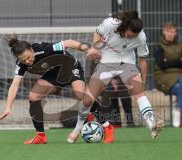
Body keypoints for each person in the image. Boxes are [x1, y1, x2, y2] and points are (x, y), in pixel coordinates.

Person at [67, 10, 163, 144]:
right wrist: (95, 48)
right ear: (125, 27)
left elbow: (142, 60)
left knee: (139, 92)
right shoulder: (110, 24)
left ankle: (152, 124)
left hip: (127, 63)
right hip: (106, 62)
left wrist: (143, 82)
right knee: (88, 100)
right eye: (130, 34)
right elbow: (97, 32)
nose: (132, 37)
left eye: (135, 35)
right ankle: (77, 130)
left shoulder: (141, 37)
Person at [0, 36, 99, 144]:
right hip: (55, 72)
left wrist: (88, 50)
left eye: (28, 57)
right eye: (23, 60)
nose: (27, 61)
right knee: (33, 96)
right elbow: (14, 85)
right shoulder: (21, 64)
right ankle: (40, 136)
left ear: (31, 49)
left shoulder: (44, 49)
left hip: (70, 67)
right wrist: (8, 107)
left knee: (82, 97)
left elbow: (68, 43)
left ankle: (106, 125)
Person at [154, 21, 182, 128]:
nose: (170, 34)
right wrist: (178, 61)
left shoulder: (181, 46)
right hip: (164, 77)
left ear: (176, 33)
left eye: (172, 31)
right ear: (163, 32)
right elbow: (162, 64)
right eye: (168, 31)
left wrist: (170, 61)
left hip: (180, 77)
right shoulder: (159, 46)